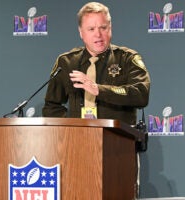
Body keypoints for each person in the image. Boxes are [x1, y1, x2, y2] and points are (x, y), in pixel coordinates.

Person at [42, 2, 150, 198]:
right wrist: (71, 129)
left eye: (103, 27)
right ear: (81, 32)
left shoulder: (127, 59)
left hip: (118, 147)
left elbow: (141, 93)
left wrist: (98, 89)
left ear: (110, 28)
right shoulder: (66, 62)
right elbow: (51, 105)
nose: (98, 34)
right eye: (91, 29)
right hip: (77, 147)